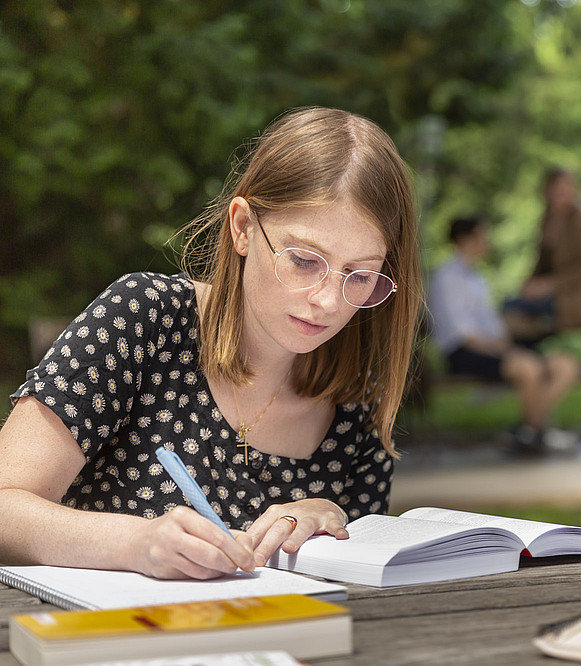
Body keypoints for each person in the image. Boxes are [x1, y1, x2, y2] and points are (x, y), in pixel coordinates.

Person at [0, 107, 421, 579]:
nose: (326, 301)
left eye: (360, 274)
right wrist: (136, 542)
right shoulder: (145, 319)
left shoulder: (359, 395)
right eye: (304, 260)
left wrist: (332, 524)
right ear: (242, 227)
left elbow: (364, 591)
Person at [428, 216, 581, 453]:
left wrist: (507, 342)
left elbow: (492, 324)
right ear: (465, 239)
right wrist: (502, 348)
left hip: (495, 346)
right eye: (481, 235)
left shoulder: (477, 277)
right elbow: (462, 333)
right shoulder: (445, 277)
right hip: (463, 352)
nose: (486, 241)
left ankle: (527, 432)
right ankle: (539, 434)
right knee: (528, 368)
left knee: (566, 365)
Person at [502, 168, 581, 344]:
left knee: (511, 310)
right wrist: (530, 285)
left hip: (575, 298)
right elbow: (542, 262)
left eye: (568, 187)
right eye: (559, 187)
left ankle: (528, 364)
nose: (563, 193)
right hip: (553, 295)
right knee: (510, 311)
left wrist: (550, 285)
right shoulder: (547, 218)